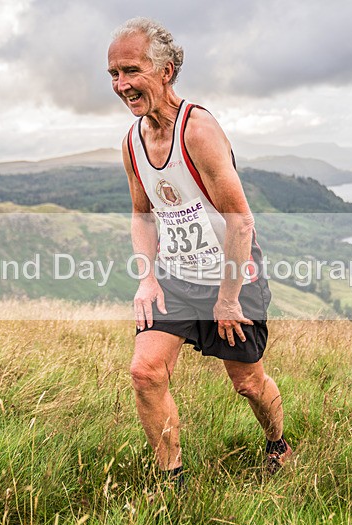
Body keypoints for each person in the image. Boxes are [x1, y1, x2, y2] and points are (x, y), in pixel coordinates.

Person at [107, 17, 291, 485]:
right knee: (145, 372)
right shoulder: (132, 142)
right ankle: (173, 482)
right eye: (113, 75)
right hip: (175, 277)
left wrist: (227, 299)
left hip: (232, 277)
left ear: (166, 71)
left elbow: (240, 219)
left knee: (248, 383)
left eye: (131, 71)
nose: (121, 85)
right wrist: (148, 278)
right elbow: (142, 214)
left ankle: (278, 444)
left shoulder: (198, 130)